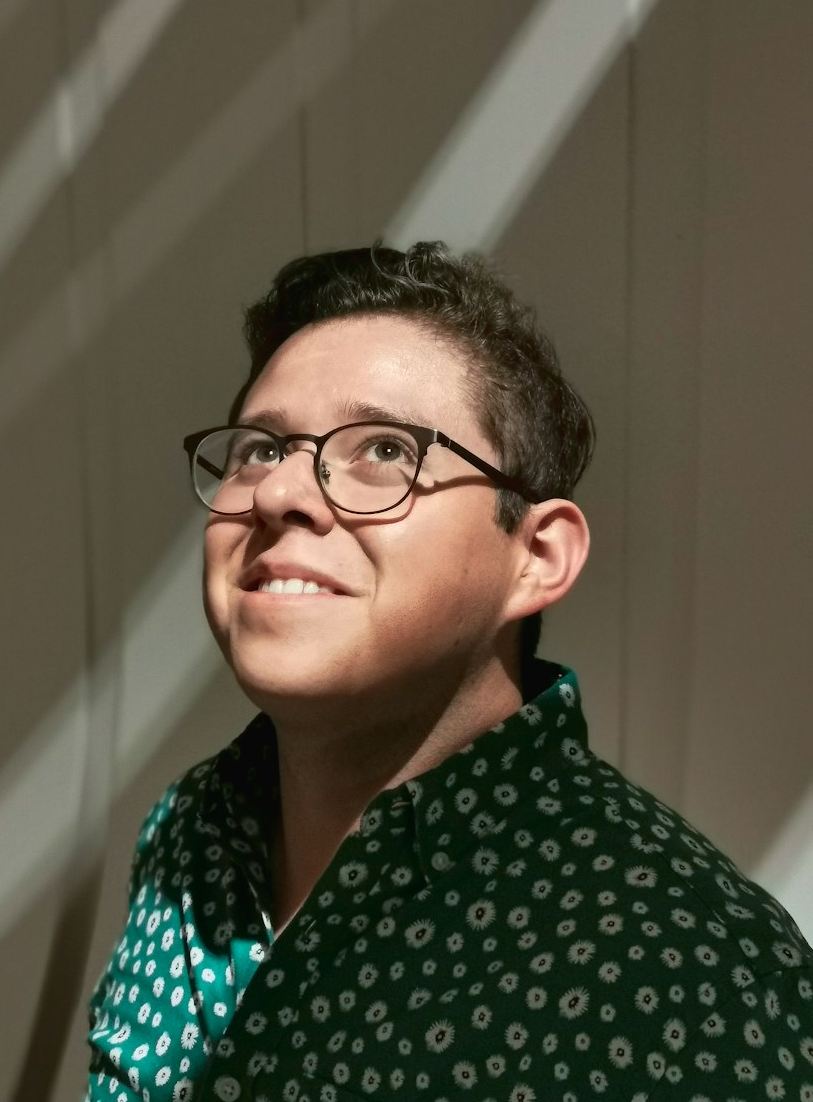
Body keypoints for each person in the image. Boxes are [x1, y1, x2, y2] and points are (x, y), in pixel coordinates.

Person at [86, 242, 813, 1102]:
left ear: (537, 555)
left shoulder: (693, 964)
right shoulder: (187, 838)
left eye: (385, 450)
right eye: (259, 448)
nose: (281, 491)